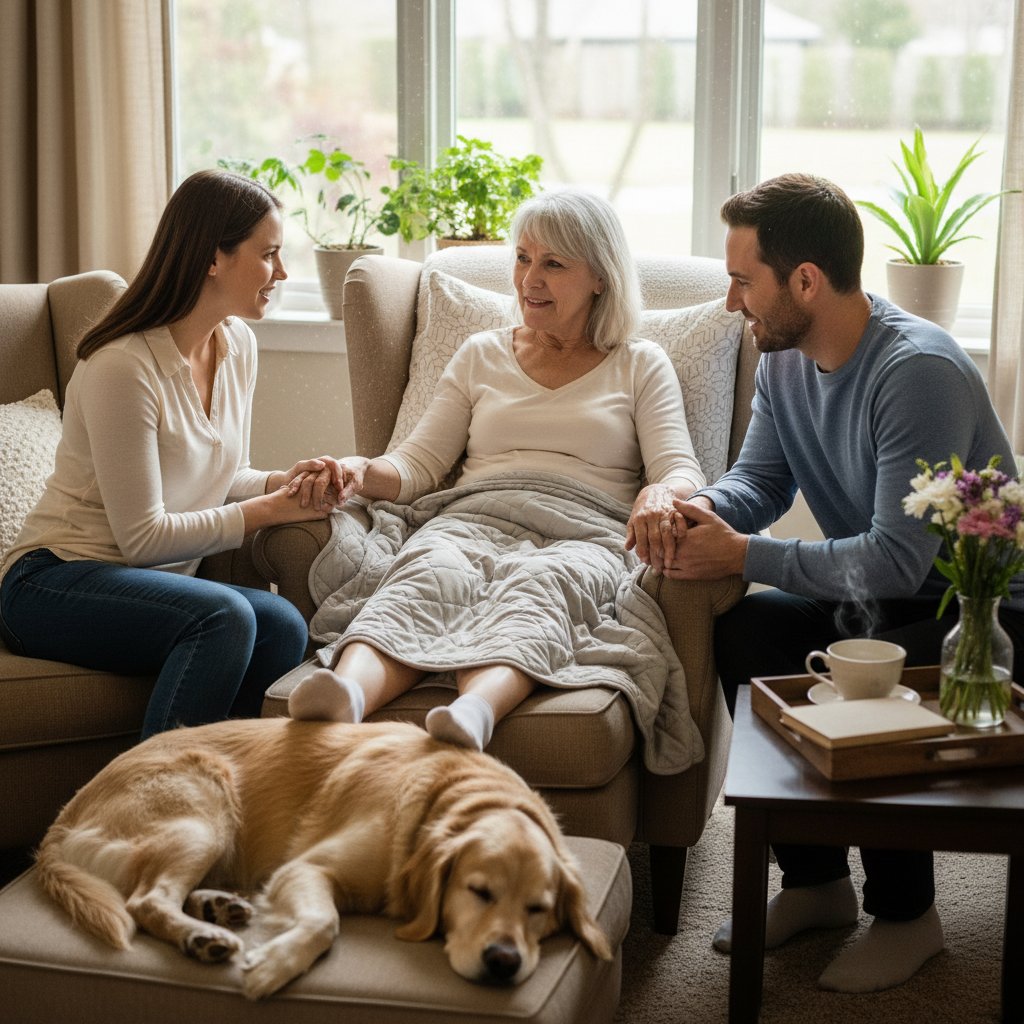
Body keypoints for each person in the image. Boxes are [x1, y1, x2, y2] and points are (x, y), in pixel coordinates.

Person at [664, 172, 1024, 993]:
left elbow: (898, 559)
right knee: (750, 630)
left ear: (805, 281)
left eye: (743, 280)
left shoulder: (916, 371)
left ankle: (908, 916)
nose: (731, 301)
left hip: (980, 612)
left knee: (872, 666)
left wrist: (742, 555)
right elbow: (759, 481)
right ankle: (817, 883)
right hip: (883, 597)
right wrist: (699, 510)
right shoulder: (785, 361)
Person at [288, 188, 705, 754]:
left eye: (553, 264)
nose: (530, 279)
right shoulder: (481, 353)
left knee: (540, 587)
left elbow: (679, 467)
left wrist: (659, 493)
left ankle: (474, 712)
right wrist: (357, 469)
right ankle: (347, 696)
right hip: (473, 516)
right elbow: (416, 464)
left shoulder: (639, 363)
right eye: (523, 257)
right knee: (430, 571)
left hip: (584, 531)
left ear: (600, 277)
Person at [0, 170, 344, 741]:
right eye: (269, 255)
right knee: (225, 616)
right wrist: (270, 511)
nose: (282, 272)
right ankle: (157, 789)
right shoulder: (123, 366)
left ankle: (225, 780)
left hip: (149, 587)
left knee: (282, 624)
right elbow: (142, 539)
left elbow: (225, 474)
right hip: (52, 583)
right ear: (213, 258)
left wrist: (285, 484)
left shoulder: (238, 345)